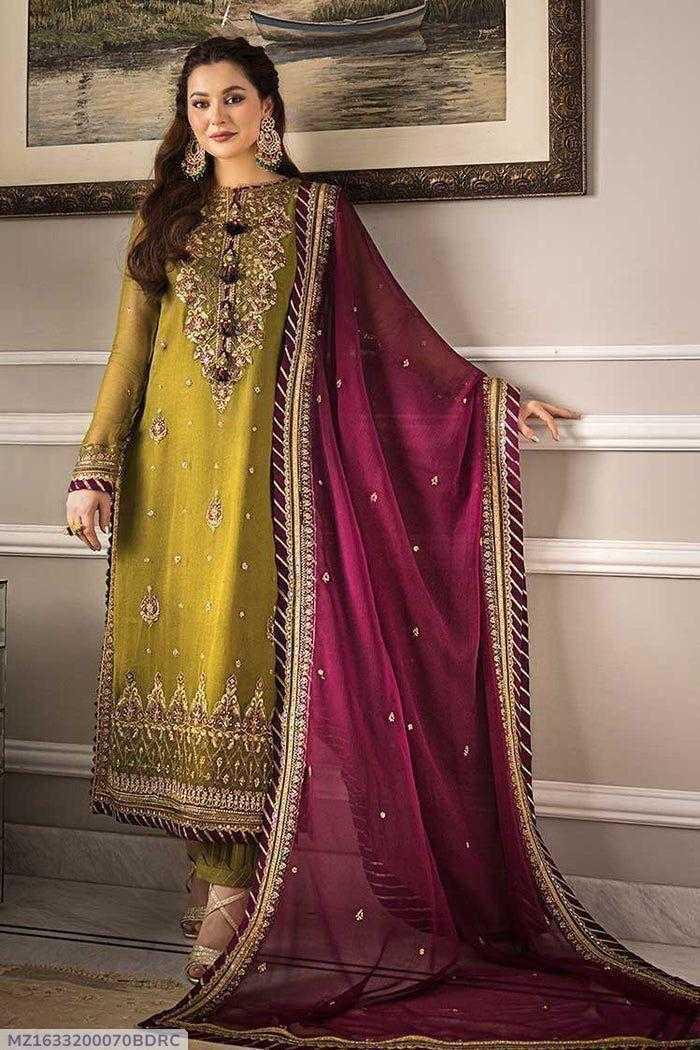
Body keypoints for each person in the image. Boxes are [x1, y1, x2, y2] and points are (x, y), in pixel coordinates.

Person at [66, 35, 700, 1046]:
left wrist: (484, 402)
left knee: (249, 683)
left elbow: (386, 346)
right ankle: (212, 897)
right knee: (181, 682)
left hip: (269, 495)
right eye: (198, 102)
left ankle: (232, 917)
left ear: (268, 107)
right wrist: (93, 470)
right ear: (184, 118)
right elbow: (126, 356)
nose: (215, 116)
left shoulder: (319, 217)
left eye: (234, 98)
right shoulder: (162, 219)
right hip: (167, 491)